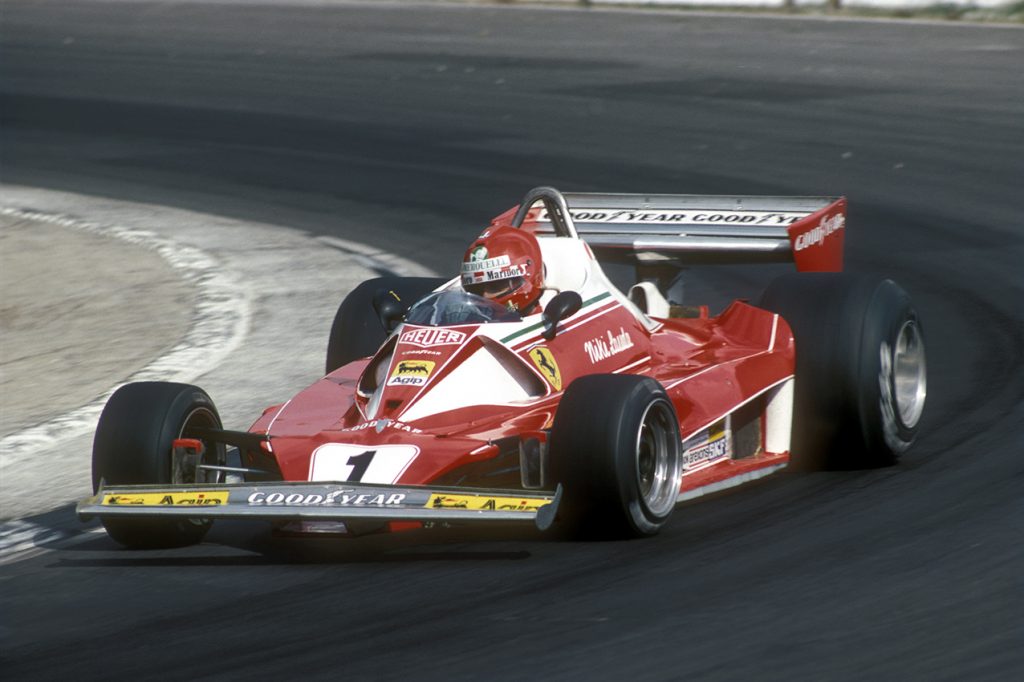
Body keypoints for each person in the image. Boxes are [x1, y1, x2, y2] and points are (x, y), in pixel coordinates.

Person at [460, 224, 544, 314]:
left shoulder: (552, 326)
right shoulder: (462, 319)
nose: (484, 296)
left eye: (494, 285)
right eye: (476, 288)